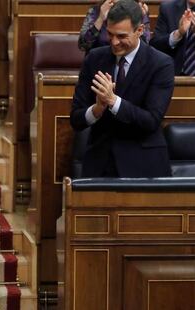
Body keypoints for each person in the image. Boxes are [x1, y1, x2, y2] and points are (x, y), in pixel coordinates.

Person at [70, 0, 175, 177]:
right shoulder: (95, 59)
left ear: (140, 30)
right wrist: (96, 110)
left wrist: (113, 101)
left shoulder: (160, 64)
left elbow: (151, 120)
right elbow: (76, 119)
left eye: (121, 36)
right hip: (100, 165)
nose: (114, 42)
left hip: (144, 165)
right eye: (110, 35)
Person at [78, 0, 151, 53]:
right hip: (99, 62)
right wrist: (100, 18)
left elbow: (144, 46)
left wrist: (140, 18)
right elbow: (83, 46)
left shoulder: (138, 10)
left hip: (130, 63)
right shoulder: (96, 11)